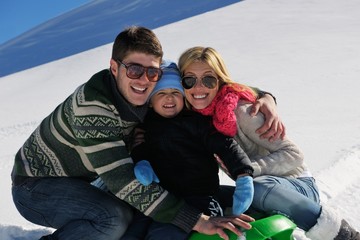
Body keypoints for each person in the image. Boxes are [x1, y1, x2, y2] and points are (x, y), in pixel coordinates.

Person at [10, 26, 279, 240]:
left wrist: (262, 96)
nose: (143, 79)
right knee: (113, 219)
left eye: (152, 72)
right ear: (115, 67)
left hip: (88, 178)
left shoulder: (151, 92)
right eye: (134, 69)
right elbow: (123, 181)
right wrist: (198, 221)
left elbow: (202, 86)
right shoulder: (93, 108)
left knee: (141, 207)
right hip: (37, 186)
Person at [177, 46, 360, 240]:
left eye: (208, 79)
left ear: (219, 81)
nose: (198, 87)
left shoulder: (243, 111)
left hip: (294, 187)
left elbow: (293, 154)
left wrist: (245, 172)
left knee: (256, 187)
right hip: (254, 190)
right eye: (190, 80)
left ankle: (344, 236)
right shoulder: (199, 121)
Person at [129, 60, 255, 239]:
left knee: (165, 234)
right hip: (161, 199)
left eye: (175, 93)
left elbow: (226, 145)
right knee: (133, 232)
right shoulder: (145, 126)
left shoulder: (196, 122)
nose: (169, 98)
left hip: (199, 198)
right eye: (161, 93)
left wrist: (243, 174)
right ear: (150, 101)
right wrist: (142, 163)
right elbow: (140, 148)